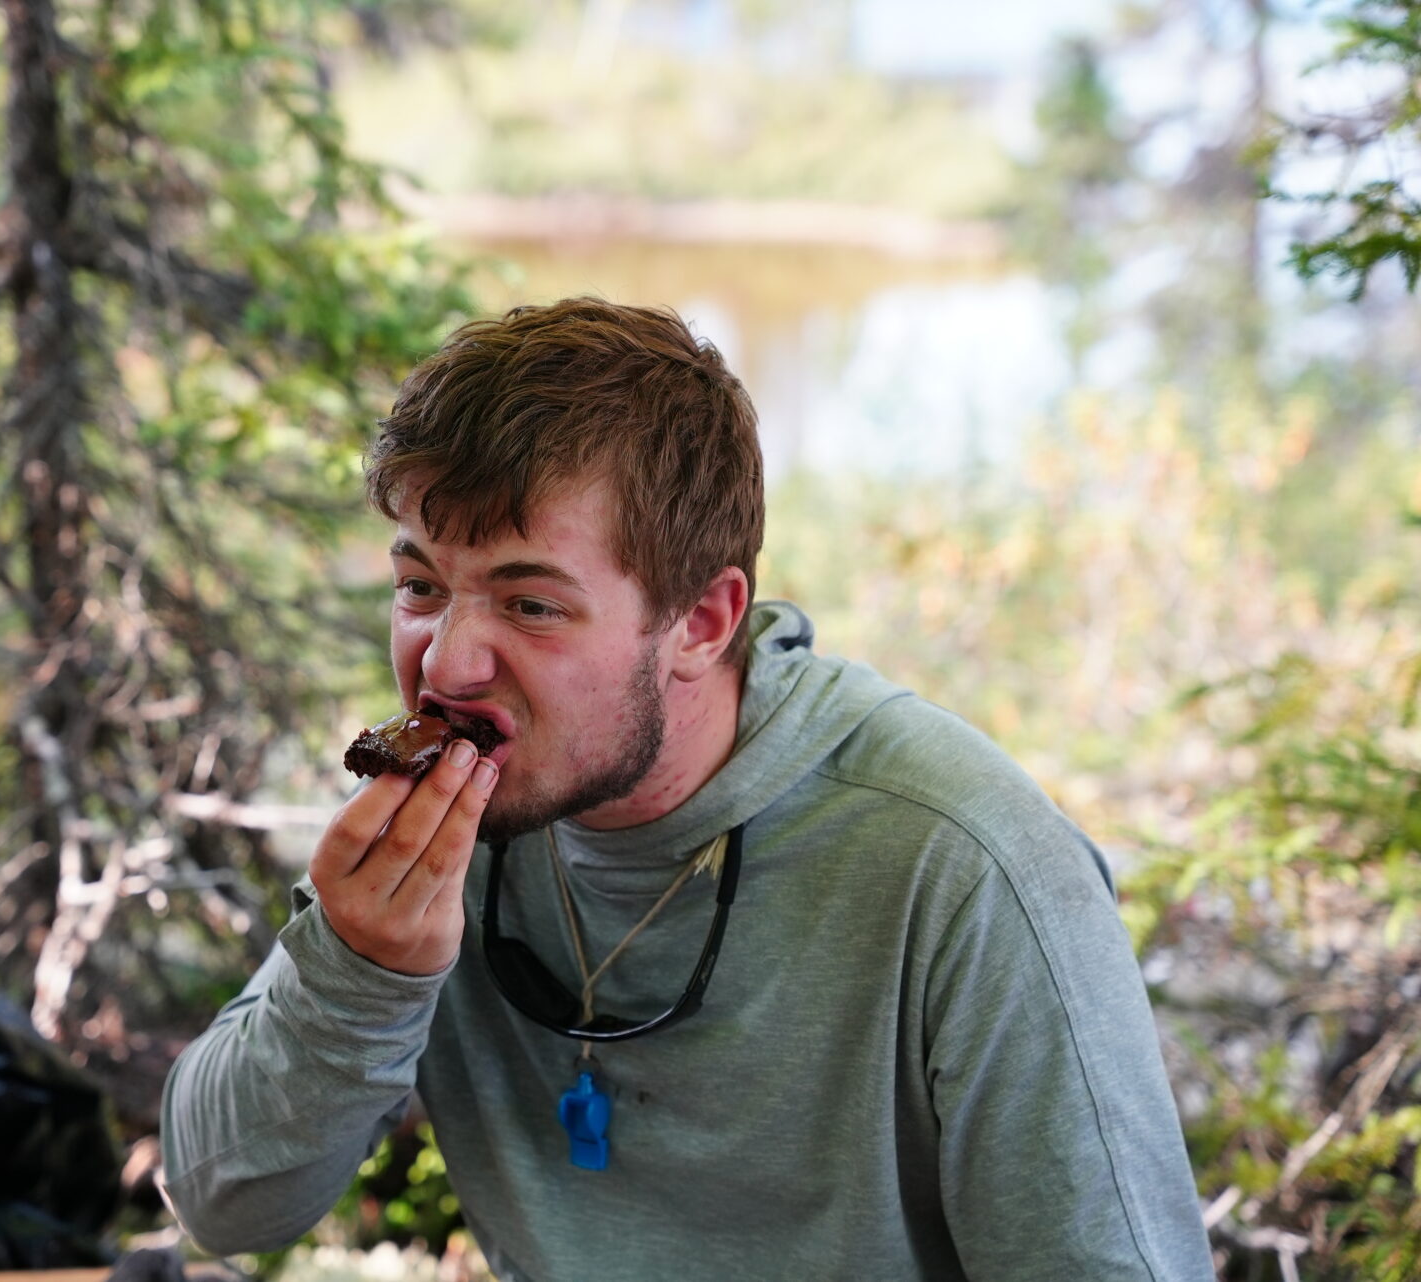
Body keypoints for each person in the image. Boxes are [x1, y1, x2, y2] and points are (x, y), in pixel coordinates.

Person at [157, 298, 1215, 1280]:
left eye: (530, 605)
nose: (445, 664)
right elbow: (220, 1203)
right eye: (421, 586)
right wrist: (360, 975)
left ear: (702, 622)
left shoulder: (965, 867)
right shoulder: (443, 830)